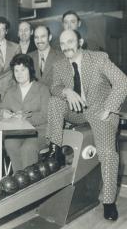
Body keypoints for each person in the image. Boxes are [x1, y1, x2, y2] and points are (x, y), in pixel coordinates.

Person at [47, 29, 127, 221]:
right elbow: (54, 87)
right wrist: (67, 91)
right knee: (54, 101)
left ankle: (109, 202)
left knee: (107, 153)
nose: (66, 46)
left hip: (100, 110)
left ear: (80, 41)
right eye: (63, 43)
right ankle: (53, 151)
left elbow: (122, 81)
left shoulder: (99, 58)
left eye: (70, 41)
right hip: (76, 111)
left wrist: (109, 108)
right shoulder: (59, 65)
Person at [0, 54, 50, 171]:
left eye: (23, 69)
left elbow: (46, 115)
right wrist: (3, 112)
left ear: (30, 70)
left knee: (28, 148)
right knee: (10, 144)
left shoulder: (42, 89)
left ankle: (29, 185)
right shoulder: (11, 91)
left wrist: (26, 117)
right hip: (17, 132)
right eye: (16, 70)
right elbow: (1, 109)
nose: (19, 73)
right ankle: (19, 178)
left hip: (39, 131)